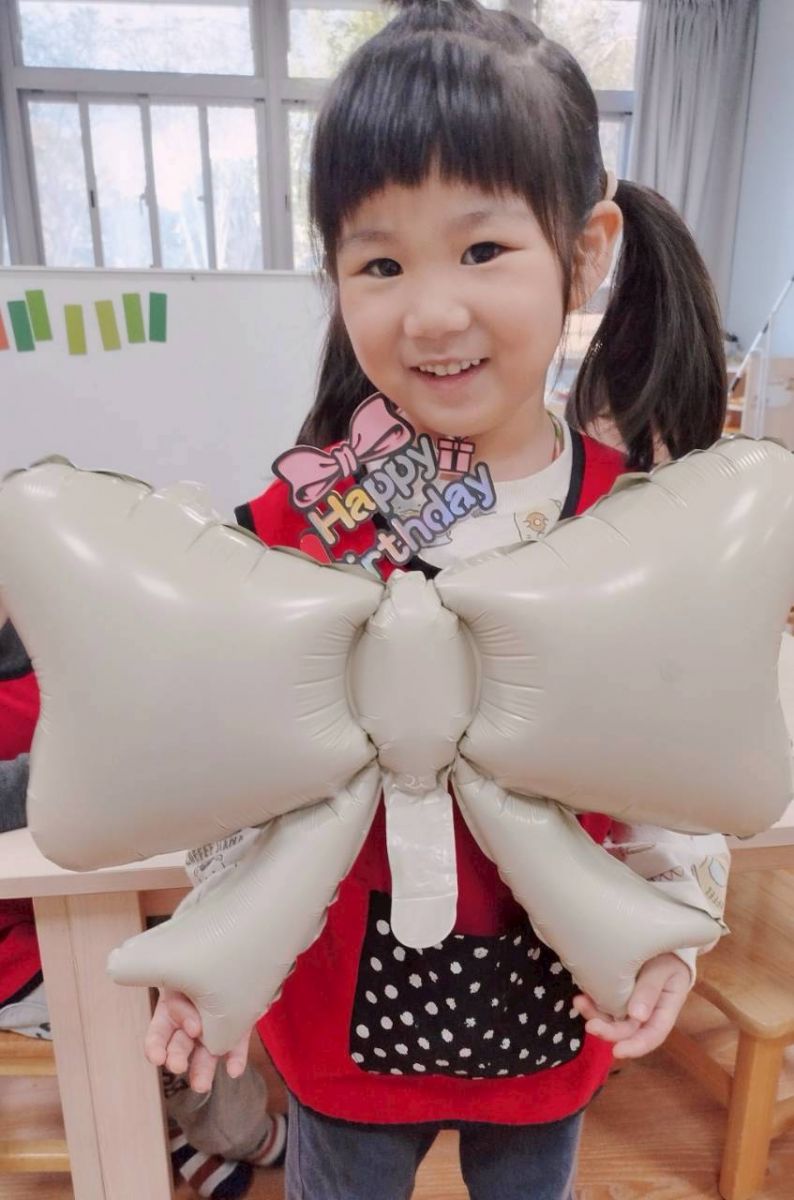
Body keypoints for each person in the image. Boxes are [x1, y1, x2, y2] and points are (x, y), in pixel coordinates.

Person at [145, 2, 731, 1197]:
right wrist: (211, 949)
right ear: (334, 277)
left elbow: (676, 771)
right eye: (379, 263)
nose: (430, 312)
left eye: (480, 249)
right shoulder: (295, 530)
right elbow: (237, 784)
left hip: (553, 998)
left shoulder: (637, 528)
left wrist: (670, 923)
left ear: (583, 250)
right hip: (337, 1013)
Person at [0, 617, 286, 1198]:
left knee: (198, 945)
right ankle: (211, 1128)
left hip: (100, 888)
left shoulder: (50, 640)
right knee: (135, 992)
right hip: (20, 951)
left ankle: (191, 1120)